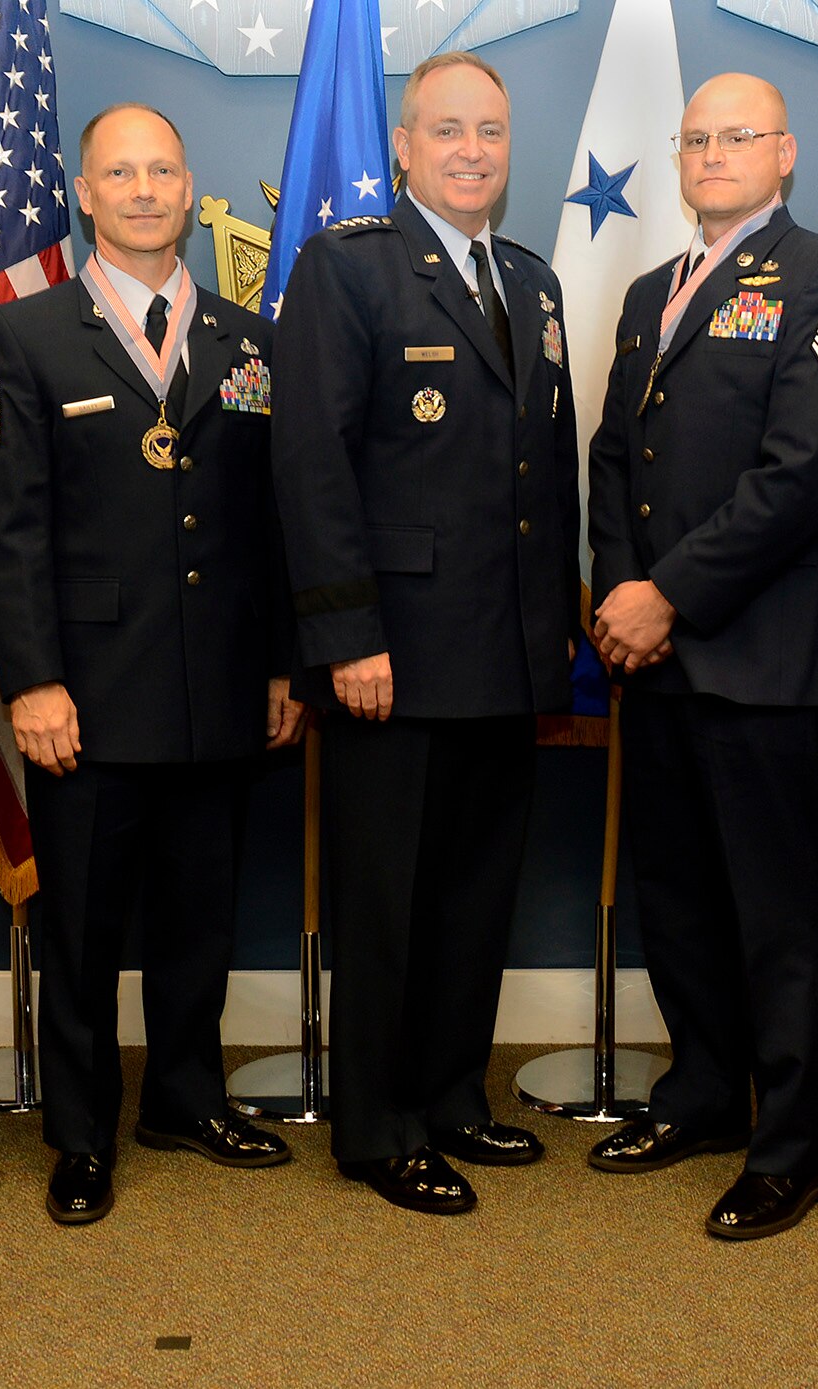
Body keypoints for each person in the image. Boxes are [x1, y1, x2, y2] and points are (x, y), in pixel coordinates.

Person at [0, 103, 302, 1225]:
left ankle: (183, 1096)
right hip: (86, 691)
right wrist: (31, 680)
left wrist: (276, 666)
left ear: (189, 181)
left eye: (163, 169)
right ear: (85, 190)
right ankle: (80, 1136)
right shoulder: (23, 336)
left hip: (216, 682)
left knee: (199, 915)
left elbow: (266, 523)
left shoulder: (248, 341)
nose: (146, 190)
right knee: (82, 928)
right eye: (121, 172)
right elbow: (4, 526)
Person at [272, 51, 579, 1217]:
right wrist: (347, 637)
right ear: (403, 148)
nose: (470, 152)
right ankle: (375, 1126)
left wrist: (552, 633)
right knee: (389, 901)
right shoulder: (346, 271)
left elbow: (542, 475)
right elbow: (310, 466)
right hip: (390, 655)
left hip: (503, 653)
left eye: (489, 132)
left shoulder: (531, 283)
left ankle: (452, 1095)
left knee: (471, 892)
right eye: (445, 131)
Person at [583, 74, 818, 1240]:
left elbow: (801, 475)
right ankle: (703, 1094)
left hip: (750, 652)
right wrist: (616, 583)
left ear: (785, 154)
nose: (712, 155)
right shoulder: (659, 287)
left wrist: (667, 592)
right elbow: (615, 452)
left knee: (777, 915)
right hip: (650, 654)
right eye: (696, 139)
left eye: (736, 137)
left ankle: (792, 1147)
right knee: (679, 901)